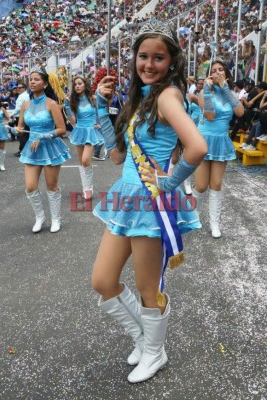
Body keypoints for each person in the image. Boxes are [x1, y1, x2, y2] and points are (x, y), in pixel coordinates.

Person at [91, 20, 207, 384]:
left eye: (159, 57)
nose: (149, 63)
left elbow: (198, 147)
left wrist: (168, 184)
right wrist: (100, 106)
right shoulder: (144, 97)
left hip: (149, 203)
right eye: (143, 56)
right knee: (103, 280)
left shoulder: (167, 96)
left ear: (172, 62)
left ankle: (154, 352)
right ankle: (143, 340)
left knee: (147, 289)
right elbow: (115, 157)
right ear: (135, 59)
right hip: (127, 199)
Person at [193, 60, 244, 238]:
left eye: (221, 70)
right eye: (213, 71)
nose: (217, 73)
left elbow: (240, 112)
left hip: (221, 142)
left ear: (226, 73)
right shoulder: (202, 91)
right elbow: (210, 115)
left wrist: (225, 88)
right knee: (200, 186)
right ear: (209, 75)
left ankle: (214, 223)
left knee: (216, 184)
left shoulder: (230, 93)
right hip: (203, 140)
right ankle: (193, 215)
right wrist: (207, 90)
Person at [17, 65, 71, 233]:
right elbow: (20, 126)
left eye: (36, 79)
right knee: (30, 187)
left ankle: (56, 218)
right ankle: (40, 217)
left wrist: (42, 136)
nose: (32, 82)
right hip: (32, 149)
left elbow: (62, 129)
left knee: (51, 185)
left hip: (50, 147)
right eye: (31, 79)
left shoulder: (51, 103)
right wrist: (16, 129)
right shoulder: (26, 104)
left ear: (45, 84)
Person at [68, 76, 104, 199]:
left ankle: (89, 188)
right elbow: (72, 119)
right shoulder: (73, 101)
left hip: (91, 130)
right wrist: (67, 107)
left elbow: (100, 112)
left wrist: (99, 123)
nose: (77, 86)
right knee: (81, 162)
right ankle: (86, 188)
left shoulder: (93, 98)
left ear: (85, 85)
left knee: (85, 160)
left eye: (79, 83)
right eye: (75, 84)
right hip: (79, 130)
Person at [10, 83, 30, 156]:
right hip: (28, 117)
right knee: (26, 134)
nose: (18, 89)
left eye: (20, 88)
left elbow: (18, 108)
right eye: (17, 88)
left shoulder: (21, 96)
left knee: (22, 135)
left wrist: (11, 114)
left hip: (22, 118)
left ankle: (22, 151)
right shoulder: (28, 95)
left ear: (24, 88)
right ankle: (25, 150)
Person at [0, 101, 11, 171]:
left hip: (1, 129)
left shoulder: (2, 109)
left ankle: (1, 164)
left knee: (1, 147)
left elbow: (8, 118)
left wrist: (11, 119)